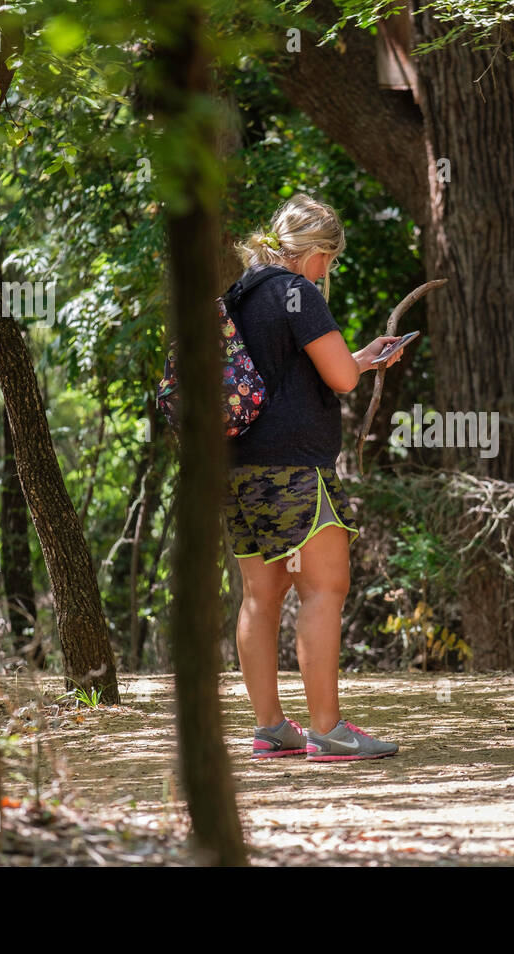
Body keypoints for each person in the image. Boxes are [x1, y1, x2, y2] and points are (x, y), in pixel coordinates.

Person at [225, 192, 403, 760]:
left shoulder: (239, 293)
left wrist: (364, 356)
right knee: (324, 588)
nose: (328, 271)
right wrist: (360, 365)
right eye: (330, 258)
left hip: (238, 467)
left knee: (261, 595)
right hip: (294, 466)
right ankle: (328, 731)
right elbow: (341, 381)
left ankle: (271, 728)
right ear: (315, 251)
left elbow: (293, 371)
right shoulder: (297, 291)